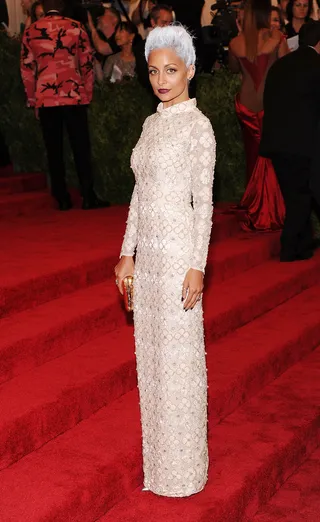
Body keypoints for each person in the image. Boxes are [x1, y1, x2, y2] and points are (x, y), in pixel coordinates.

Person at [114, 24, 216, 497]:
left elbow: (205, 201)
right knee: (152, 362)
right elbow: (140, 192)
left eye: (171, 70)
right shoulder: (151, 124)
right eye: (154, 71)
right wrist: (126, 253)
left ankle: (184, 470)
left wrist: (198, 263)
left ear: (190, 71)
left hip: (178, 257)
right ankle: (158, 467)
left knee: (179, 365)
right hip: (148, 261)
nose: (161, 79)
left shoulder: (198, 126)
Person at [20, 0, 109, 210]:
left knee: (54, 149)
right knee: (81, 147)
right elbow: (86, 62)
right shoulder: (75, 27)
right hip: (73, 95)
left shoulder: (32, 30)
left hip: (46, 97)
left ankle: (61, 197)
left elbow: (26, 69)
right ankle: (88, 196)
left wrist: (32, 99)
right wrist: (87, 93)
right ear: (62, 6)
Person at [260, 21, 320, 261]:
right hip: (303, 143)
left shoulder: (281, 65)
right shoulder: (317, 66)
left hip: (276, 141)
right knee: (302, 196)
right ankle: (289, 246)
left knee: (294, 194)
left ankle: (303, 243)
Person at [228, 0, 289, 231]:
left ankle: (256, 205)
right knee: (274, 158)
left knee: (254, 158)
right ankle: (274, 209)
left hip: (246, 105)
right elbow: (287, 68)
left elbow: (234, 69)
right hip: (270, 104)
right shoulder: (277, 39)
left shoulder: (235, 42)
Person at [134, 4, 173, 89]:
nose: (168, 27)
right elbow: (145, 79)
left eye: (170, 24)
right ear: (153, 23)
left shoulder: (178, 45)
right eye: (164, 23)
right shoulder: (142, 48)